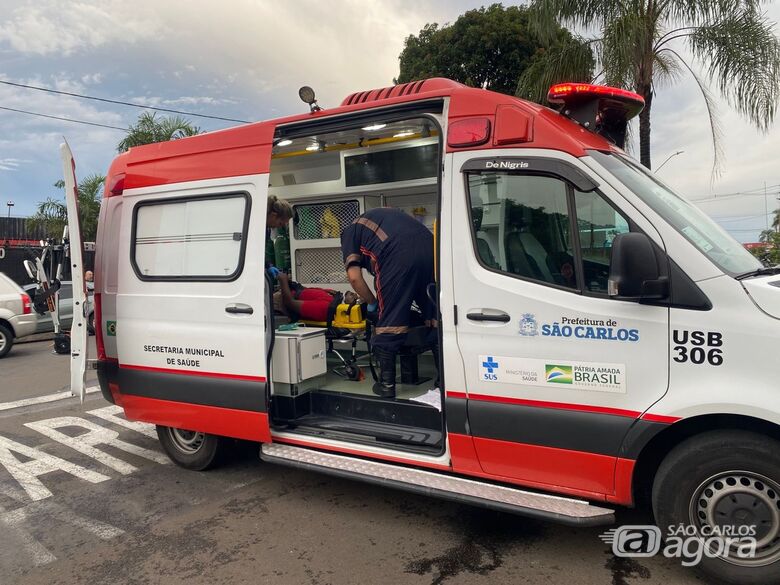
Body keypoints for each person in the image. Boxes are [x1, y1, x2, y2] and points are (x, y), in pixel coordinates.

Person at [340, 208, 436, 398]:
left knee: (389, 322)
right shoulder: (384, 217)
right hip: (431, 248)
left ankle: (386, 385)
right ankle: (444, 380)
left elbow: (354, 278)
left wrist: (372, 302)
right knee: (433, 317)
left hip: (397, 254)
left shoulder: (349, 233)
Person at [274, 272, 359, 322]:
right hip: (286, 292)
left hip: (279, 302)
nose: (355, 294)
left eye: (355, 299)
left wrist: (283, 280)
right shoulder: (333, 296)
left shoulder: (325, 307)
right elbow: (307, 291)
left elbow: (290, 303)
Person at [266, 196, 293, 279]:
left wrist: (268, 265)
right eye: (280, 223)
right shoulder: (255, 227)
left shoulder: (267, 229)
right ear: (274, 216)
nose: (278, 226)